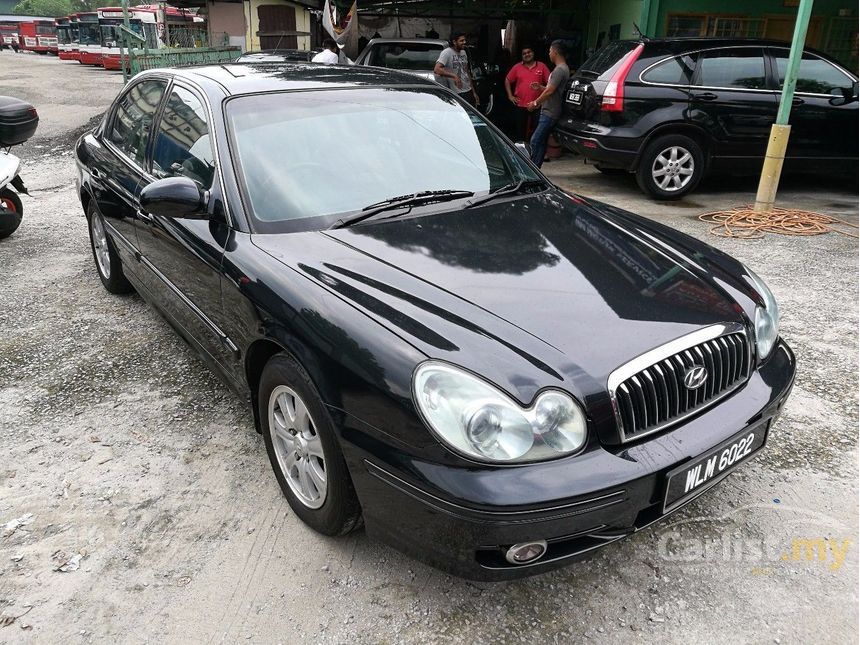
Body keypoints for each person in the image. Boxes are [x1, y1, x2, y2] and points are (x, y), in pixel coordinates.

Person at [526, 40, 570, 167]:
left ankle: (532, 169)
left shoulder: (559, 70)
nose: (549, 53)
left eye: (550, 51)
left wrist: (535, 103)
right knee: (542, 142)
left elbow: (550, 91)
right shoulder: (562, 69)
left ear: (555, 52)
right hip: (549, 110)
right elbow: (552, 89)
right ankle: (537, 168)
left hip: (550, 112)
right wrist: (540, 87)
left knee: (535, 140)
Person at [504, 45, 550, 142]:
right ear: (521, 56)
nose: (527, 55)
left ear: (533, 53)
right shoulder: (517, 67)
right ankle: (522, 150)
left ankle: (533, 152)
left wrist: (543, 97)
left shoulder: (542, 66)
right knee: (520, 132)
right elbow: (507, 80)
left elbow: (550, 85)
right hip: (520, 104)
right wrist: (510, 96)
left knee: (537, 132)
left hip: (537, 104)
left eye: (529, 52)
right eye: (524, 53)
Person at [433, 32, 479, 108]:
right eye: (461, 41)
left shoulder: (463, 52)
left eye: (465, 40)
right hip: (457, 93)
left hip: (468, 90)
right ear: (454, 42)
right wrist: (454, 76)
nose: (464, 42)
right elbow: (437, 69)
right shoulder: (447, 52)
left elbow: (466, 72)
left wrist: (474, 92)